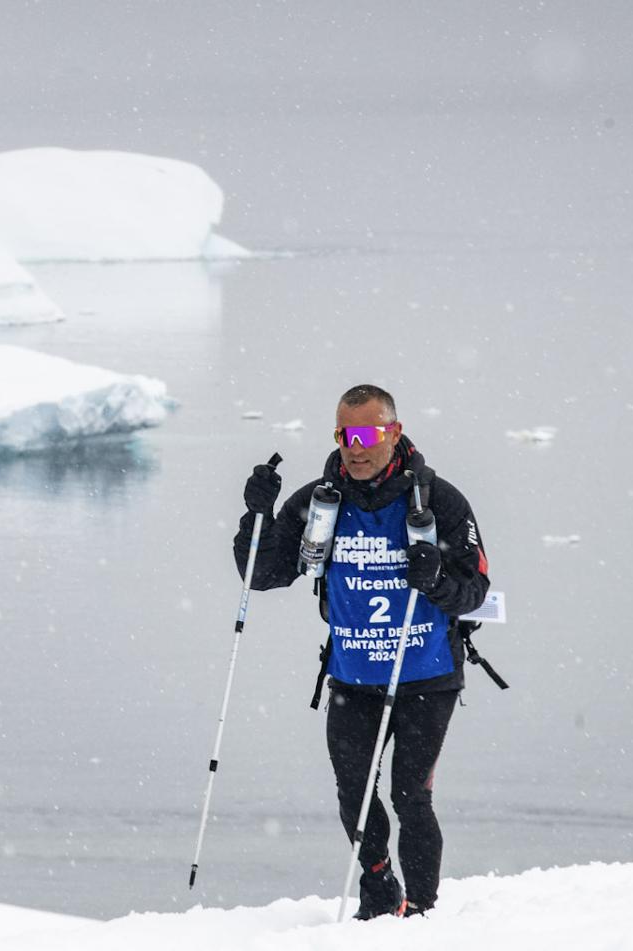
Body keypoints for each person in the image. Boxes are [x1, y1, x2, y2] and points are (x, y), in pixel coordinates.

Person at [233, 384, 490, 920]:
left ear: (393, 434)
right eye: (345, 434)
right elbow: (260, 574)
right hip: (352, 677)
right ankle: (379, 896)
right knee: (353, 794)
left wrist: (436, 579)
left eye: (368, 434)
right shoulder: (319, 501)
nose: (355, 446)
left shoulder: (439, 500)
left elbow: (475, 590)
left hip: (427, 674)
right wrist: (256, 515)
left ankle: (421, 909)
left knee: (409, 797)